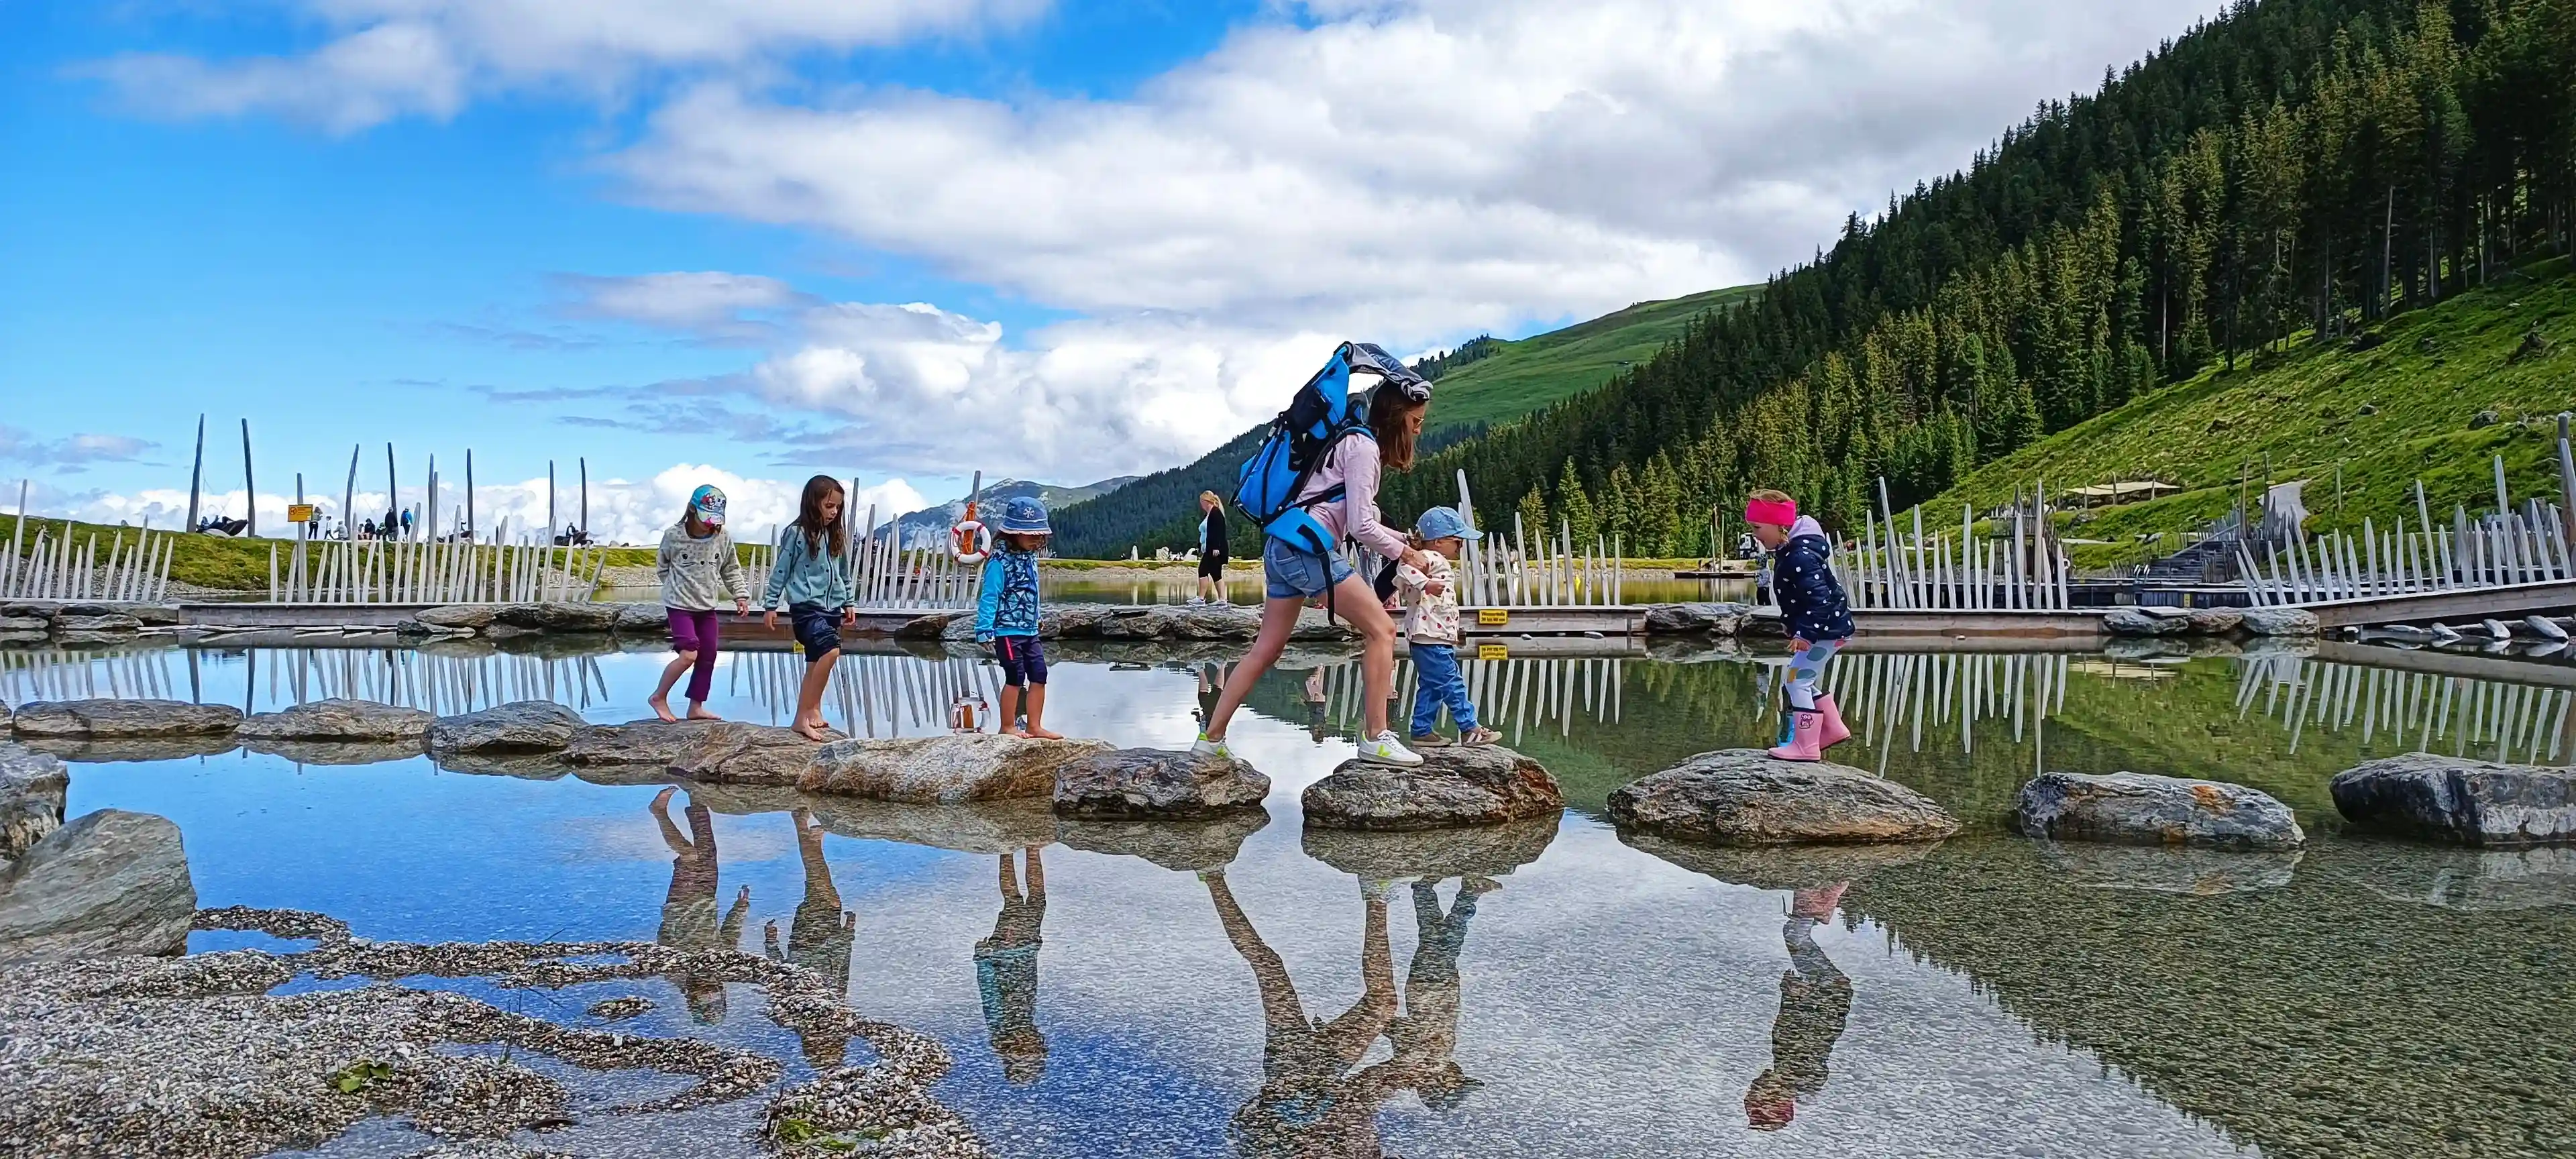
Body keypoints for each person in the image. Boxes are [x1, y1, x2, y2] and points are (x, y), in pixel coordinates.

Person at [1195, 383, 1434, 767]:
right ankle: (1377, 737)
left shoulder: (1349, 442)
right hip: (1308, 549)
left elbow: (1366, 519)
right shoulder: (1364, 448)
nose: (1419, 429)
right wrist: (1406, 554)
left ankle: (1211, 739)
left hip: (1283, 544)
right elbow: (1359, 527)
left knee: (1266, 649)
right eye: (1416, 421)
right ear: (1396, 417)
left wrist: (1403, 538)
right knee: (1383, 630)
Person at [1746, 490, 1854, 761]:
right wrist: (1792, 624)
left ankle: (1806, 746)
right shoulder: (1791, 551)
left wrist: (1806, 633)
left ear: (1779, 526)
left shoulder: (1800, 556)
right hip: (1825, 631)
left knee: (1796, 681)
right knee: (1799, 679)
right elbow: (1800, 598)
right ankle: (1832, 728)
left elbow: (1821, 600)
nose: (1755, 535)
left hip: (1826, 632)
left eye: (1758, 528)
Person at [1744, 883, 1854, 1132]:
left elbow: (1789, 1021)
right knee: (1795, 934)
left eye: (1752, 1089)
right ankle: (1825, 884)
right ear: (1776, 1096)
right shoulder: (1802, 1069)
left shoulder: (1786, 1065)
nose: (1754, 1084)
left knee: (1796, 934)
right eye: (1756, 1090)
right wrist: (1810, 993)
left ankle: (1822, 890)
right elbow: (1824, 1027)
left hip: (1824, 991)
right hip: (1828, 990)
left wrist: (1790, 994)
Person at [763, 475, 859, 742]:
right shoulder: (796, 534)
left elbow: (844, 572)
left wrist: (849, 601)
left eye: (838, 507)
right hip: (806, 608)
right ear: (812, 503)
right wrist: (771, 605)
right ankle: (804, 714)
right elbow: (780, 571)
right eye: (829, 505)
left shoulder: (836, 535)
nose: (834, 512)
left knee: (815, 661)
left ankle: (808, 712)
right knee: (831, 650)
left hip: (832, 609)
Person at [762, 806, 857, 1070]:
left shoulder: (794, 1013)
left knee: (822, 890)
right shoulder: (833, 1010)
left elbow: (778, 976)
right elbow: (841, 972)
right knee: (821, 888)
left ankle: (804, 831)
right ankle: (811, 839)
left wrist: (771, 944)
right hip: (820, 941)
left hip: (809, 941)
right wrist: (848, 935)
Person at [1397, 506, 1499, 749]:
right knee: (1452, 683)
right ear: (1440, 542)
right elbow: (1403, 570)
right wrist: (1426, 584)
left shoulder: (1432, 558)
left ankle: (1421, 731)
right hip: (1430, 636)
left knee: (1432, 685)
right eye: (1458, 542)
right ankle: (1469, 728)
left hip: (1430, 636)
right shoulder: (1430, 558)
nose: (1461, 548)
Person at [649, 484, 750, 722]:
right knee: (688, 654)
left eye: (715, 519)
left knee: (708, 655)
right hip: (679, 606)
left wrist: (741, 596)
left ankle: (696, 707)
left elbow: (730, 569)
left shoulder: (721, 537)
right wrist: (675, 586)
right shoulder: (674, 535)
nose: (711, 524)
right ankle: (658, 697)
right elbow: (663, 565)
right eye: (707, 517)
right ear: (693, 509)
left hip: (706, 607)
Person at [650, 787, 751, 1023]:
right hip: (707, 898)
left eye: (705, 1000)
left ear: (693, 1000)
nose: (709, 994)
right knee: (707, 846)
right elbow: (730, 933)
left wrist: (675, 915)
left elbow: (663, 938)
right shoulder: (724, 965)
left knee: (689, 856)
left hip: (681, 903)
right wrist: (741, 906)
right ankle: (696, 790)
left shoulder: (677, 972)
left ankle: (659, 812)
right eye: (715, 999)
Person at [975, 496, 1061, 739]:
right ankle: (1007, 726)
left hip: (1030, 631)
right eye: (1031, 534)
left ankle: (1035, 726)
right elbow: (990, 596)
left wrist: (1037, 616)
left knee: (1040, 675)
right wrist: (984, 629)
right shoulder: (999, 562)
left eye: (1040, 535)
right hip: (1006, 631)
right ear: (1014, 534)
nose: (1037, 539)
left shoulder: (1030, 559)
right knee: (1015, 676)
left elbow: (1032, 592)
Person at [973, 846, 1049, 1085]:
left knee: (1025, 901)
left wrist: (983, 959)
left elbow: (989, 992)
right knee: (1025, 902)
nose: (1038, 1042)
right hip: (1022, 950)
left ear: (1018, 1050)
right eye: (1039, 1049)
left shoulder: (1001, 1024)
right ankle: (1019, 849)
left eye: (1033, 1050)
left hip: (1011, 949)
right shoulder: (1022, 1023)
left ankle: (1016, 849)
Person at [1192, 490, 1231, 606]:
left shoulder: (1215, 513)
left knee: (1203, 570)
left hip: (1214, 549)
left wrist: (1215, 547)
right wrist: (1200, 546)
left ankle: (1201, 599)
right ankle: (1222, 600)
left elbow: (1218, 532)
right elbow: (1206, 533)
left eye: (1201, 502)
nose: (1201, 505)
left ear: (1206, 501)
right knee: (1216, 573)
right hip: (1208, 548)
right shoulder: (1210, 514)